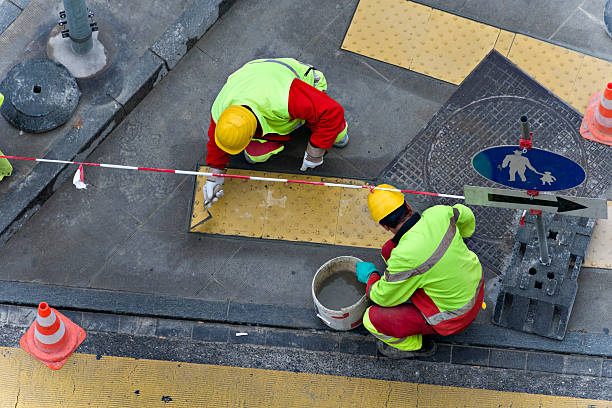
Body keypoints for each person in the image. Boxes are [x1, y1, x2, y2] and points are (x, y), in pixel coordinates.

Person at [356, 184, 484, 359]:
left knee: (371, 320)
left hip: (454, 318)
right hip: (476, 285)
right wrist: (462, 235)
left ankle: (417, 346)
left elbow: (382, 298)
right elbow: (465, 214)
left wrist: (371, 277)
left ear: (384, 226)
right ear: (407, 205)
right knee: (388, 250)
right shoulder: (439, 213)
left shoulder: (404, 256)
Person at [203, 58, 349, 207]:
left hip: (304, 85)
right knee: (255, 156)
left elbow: (332, 112)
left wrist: (314, 154)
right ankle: (287, 132)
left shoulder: (283, 98)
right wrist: (215, 177)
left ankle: (328, 130)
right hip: (260, 82)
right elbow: (219, 141)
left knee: (337, 134)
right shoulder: (222, 111)